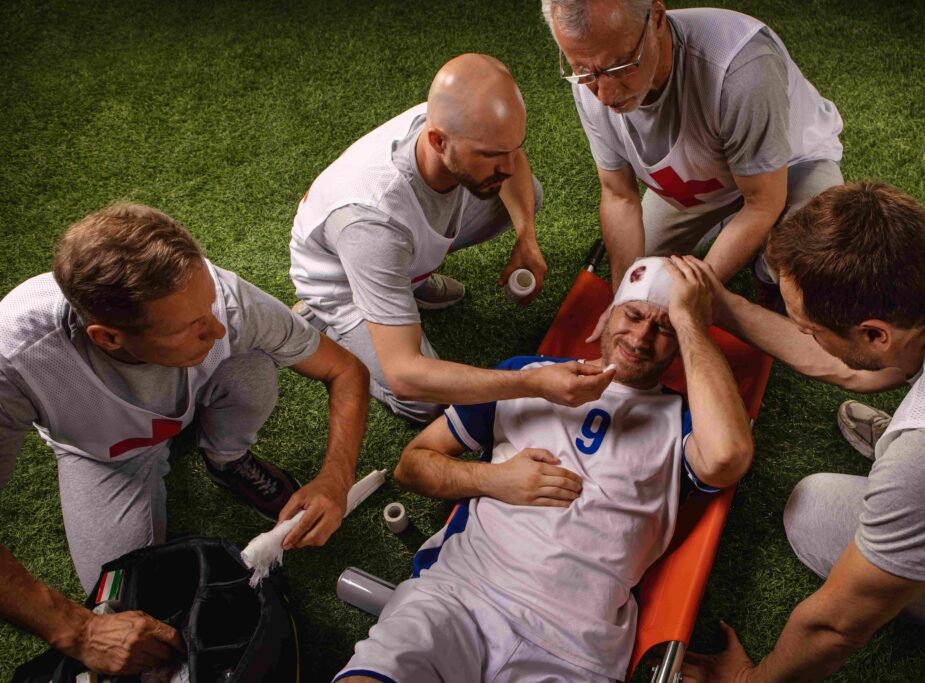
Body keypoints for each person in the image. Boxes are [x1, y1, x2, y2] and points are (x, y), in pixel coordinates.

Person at [335, 256, 754, 682]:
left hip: (576, 645)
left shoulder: (683, 420)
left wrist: (690, 322)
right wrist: (495, 479)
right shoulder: (527, 376)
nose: (642, 337)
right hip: (463, 595)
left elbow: (727, 458)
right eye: (633, 315)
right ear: (609, 313)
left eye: (664, 329)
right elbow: (411, 466)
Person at [0, 203, 369, 676]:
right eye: (190, 327)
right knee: (122, 591)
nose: (215, 328)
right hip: (107, 456)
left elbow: (344, 370)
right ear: (108, 339)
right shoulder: (16, 356)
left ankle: (227, 458)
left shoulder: (224, 303)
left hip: (203, 393)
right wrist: (79, 630)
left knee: (250, 364)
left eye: (208, 305)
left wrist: (336, 475)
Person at [678, 181, 925, 681]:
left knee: (813, 510)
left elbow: (836, 627)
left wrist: (748, 680)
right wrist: (717, 304)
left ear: (875, 334)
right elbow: (862, 369)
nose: (802, 332)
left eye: (809, 328)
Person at [290, 53, 611, 423]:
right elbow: (405, 375)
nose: (508, 166)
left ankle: (410, 280)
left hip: (396, 249)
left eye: (511, 147)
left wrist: (527, 239)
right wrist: (533, 382)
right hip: (345, 279)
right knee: (424, 403)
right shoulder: (373, 225)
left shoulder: (457, 125)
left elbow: (512, 160)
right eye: (491, 155)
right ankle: (333, 326)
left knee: (526, 197)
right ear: (438, 141)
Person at [540, 0, 844, 297]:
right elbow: (619, 196)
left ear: (657, 17)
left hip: (790, 166)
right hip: (705, 178)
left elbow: (763, 202)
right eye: (583, 71)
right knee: (644, 274)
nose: (604, 95)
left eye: (620, 66)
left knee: (806, 270)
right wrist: (625, 298)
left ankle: (762, 264)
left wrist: (691, 298)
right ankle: (730, 225)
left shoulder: (741, 68)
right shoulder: (591, 72)